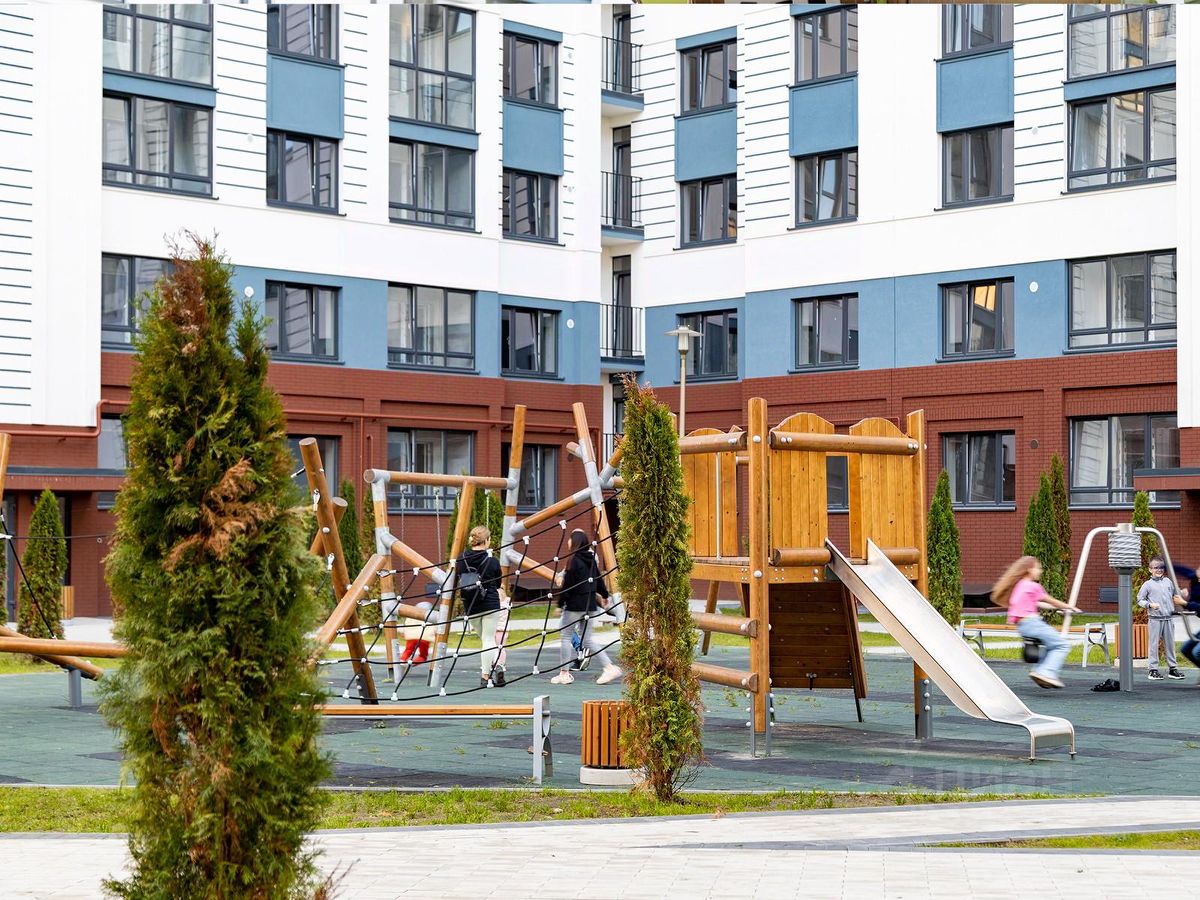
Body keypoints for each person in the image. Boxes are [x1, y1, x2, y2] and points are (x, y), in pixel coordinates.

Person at [550, 529, 622, 686]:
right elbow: (598, 579)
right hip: (590, 605)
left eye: (570, 538)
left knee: (565, 636)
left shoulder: (573, 560)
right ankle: (609, 667)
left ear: (575, 542)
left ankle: (564, 673)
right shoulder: (591, 559)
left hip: (575, 606)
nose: (568, 541)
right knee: (587, 639)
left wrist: (560, 605)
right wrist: (604, 595)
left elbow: (568, 587)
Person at [992, 556, 1073, 689]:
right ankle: (1046, 672)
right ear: (1029, 569)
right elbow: (1050, 600)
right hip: (1033, 623)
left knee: (1051, 645)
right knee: (1062, 645)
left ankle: (1038, 671)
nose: (1040, 571)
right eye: (1038, 568)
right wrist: (1069, 606)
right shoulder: (1033, 586)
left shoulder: (1020, 585)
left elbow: (1039, 603)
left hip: (1023, 626)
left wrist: (1059, 608)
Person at [456, 525, 506, 688]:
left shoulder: (461, 559)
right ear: (487, 540)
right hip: (490, 602)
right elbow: (498, 583)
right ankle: (489, 672)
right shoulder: (492, 560)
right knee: (489, 639)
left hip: (471, 603)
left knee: (485, 639)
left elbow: (459, 576)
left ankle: (493, 669)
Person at [1138, 556, 1187, 681]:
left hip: (1168, 619)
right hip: (1155, 619)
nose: (1159, 570)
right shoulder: (1147, 585)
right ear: (1150, 569)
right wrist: (1150, 605)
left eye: (1161, 567)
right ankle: (1153, 670)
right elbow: (1140, 600)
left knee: (1170, 644)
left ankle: (1173, 669)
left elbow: (1175, 594)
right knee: (1153, 645)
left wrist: (1182, 593)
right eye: (1156, 567)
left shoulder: (1168, 582)